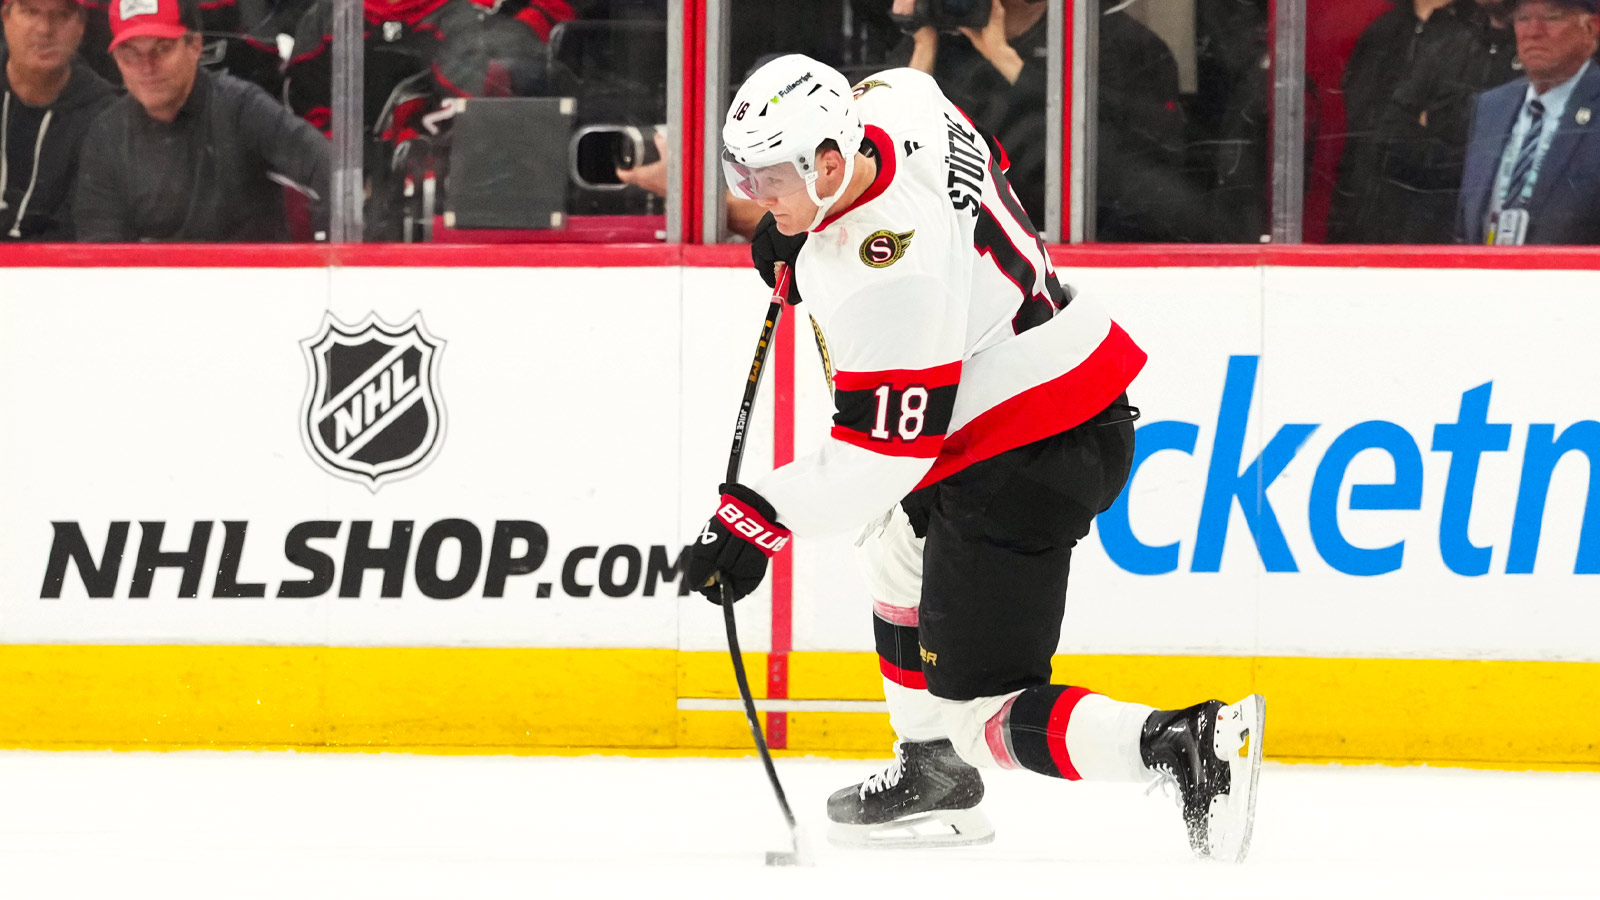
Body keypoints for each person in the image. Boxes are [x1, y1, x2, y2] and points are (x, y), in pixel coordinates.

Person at [682, 54, 1264, 858]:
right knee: (890, 549)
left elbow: (882, 455)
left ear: (827, 162)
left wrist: (756, 521)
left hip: (1024, 451)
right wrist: (800, 231)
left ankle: (1180, 743)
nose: (750, 197)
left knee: (982, 705)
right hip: (1041, 388)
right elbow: (954, 145)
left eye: (770, 177)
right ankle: (934, 776)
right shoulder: (899, 99)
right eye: (740, 172)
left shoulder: (886, 274)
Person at [73, 0, 330, 241]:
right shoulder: (107, 136)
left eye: (162, 49)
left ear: (195, 46)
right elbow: (101, 252)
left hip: (249, 282)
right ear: (116, 59)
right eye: (130, 54)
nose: (147, 67)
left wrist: (330, 260)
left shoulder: (242, 108)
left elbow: (327, 167)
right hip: (152, 285)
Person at [1327, 0, 1485, 243]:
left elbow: (1461, 145)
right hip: (1361, 223)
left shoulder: (1478, 35)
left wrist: (1404, 131)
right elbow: (1359, 134)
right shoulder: (1381, 33)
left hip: (1431, 232)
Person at [1371, 0, 1519, 244]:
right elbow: (1391, 136)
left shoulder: (1546, 49)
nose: (1535, 30)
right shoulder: (1450, 40)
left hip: (1517, 237)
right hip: (1434, 232)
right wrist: (1470, 165)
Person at [1459, 0, 1600, 244]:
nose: (1533, 32)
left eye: (1552, 18)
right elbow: (1464, 225)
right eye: (1523, 19)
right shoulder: (1490, 108)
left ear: (1591, 27)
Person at [0, 0, 115, 239]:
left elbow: (83, 229)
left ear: (81, 26)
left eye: (62, 15)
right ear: (6, 18)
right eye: (30, 11)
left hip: (51, 270)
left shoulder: (105, 117)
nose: (44, 29)